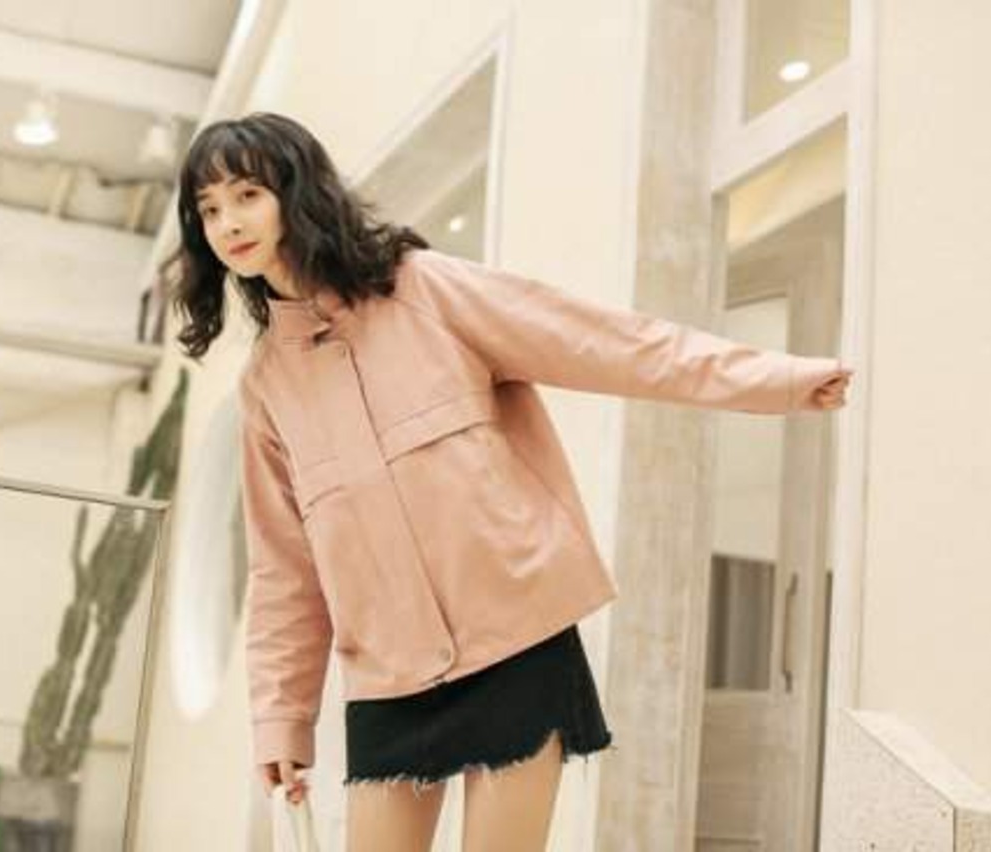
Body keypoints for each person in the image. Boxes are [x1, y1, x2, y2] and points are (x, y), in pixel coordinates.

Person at [166, 112, 852, 851]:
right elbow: (284, 571)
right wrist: (281, 718)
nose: (228, 223)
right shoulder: (267, 387)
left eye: (247, 195)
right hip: (389, 677)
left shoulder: (423, 290)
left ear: (296, 193)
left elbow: (600, 342)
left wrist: (772, 380)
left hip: (515, 646)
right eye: (209, 209)